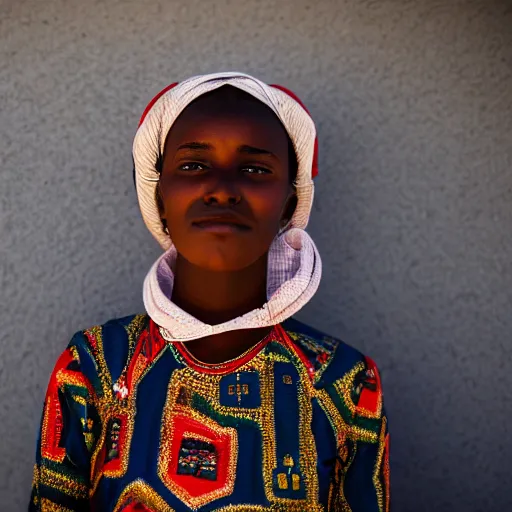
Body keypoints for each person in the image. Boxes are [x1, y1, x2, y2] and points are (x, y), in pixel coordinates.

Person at [29, 72, 390, 512]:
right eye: (193, 166)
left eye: (255, 169)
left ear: (291, 202)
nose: (221, 189)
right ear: (158, 194)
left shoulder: (345, 384)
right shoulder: (94, 367)